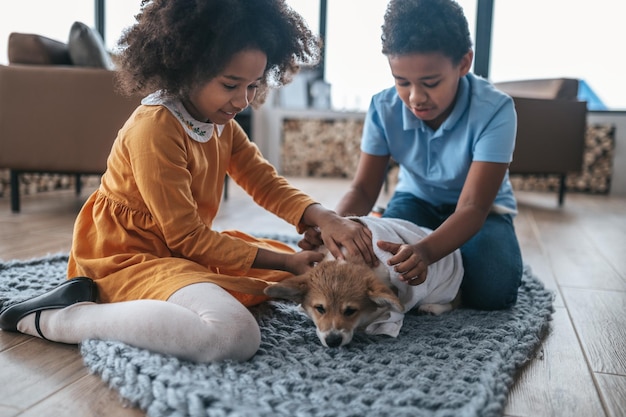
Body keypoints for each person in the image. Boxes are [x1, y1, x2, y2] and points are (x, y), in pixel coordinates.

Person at [0, 0, 376, 363]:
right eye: (231, 85)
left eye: (253, 85)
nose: (243, 100)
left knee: (291, 272)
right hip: (125, 257)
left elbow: (263, 180)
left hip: (177, 251)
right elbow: (188, 236)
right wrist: (287, 259)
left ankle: (179, 293)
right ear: (187, 69)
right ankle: (56, 318)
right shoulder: (155, 128)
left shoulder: (218, 121)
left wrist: (322, 217)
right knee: (234, 334)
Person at [301, 0, 523, 311]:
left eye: (431, 83)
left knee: (492, 291)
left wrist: (427, 252)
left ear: (464, 63)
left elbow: (473, 206)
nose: (415, 98)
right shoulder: (383, 107)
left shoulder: (496, 110)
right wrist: (336, 227)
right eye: (402, 81)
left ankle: (458, 255)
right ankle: (393, 225)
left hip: (483, 212)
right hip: (416, 200)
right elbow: (363, 188)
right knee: (385, 270)